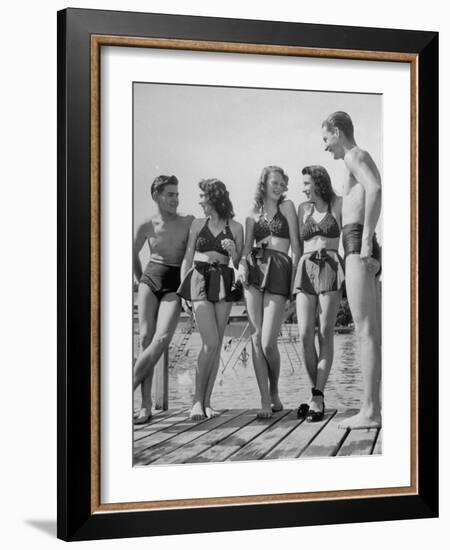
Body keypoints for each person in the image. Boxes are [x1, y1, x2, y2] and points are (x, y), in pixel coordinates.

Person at [322, 111, 382, 429]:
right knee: (370, 332)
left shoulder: (354, 155)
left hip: (358, 240)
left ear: (338, 132)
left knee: (366, 332)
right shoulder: (353, 160)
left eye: (326, 138)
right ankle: (373, 407)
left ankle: (370, 412)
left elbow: (375, 189)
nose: (325, 146)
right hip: (356, 239)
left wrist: (368, 241)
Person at [177, 179, 244, 421]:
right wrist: (182, 290)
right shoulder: (197, 223)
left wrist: (234, 250)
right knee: (211, 342)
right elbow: (187, 258)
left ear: (214, 198)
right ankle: (196, 400)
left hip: (225, 280)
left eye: (203, 197)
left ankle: (207, 402)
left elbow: (239, 263)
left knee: (215, 347)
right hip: (199, 278)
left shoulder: (235, 227)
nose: (200, 201)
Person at [238, 166, 300, 419]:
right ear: (263, 184)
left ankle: (274, 390)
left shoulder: (288, 207)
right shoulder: (252, 213)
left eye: (282, 183)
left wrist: (295, 282)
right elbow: (245, 250)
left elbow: (296, 246)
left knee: (268, 342)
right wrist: (241, 265)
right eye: (274, 182)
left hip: (280, 269)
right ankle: (264, 398)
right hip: (254, 270)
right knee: (255, 337)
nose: (279, 186)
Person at [133, 175, 194, 424]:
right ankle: (145, 405)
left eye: (177, 194)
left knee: (162, 338)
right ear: (156, 195)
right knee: (145, 338)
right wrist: (140, 279)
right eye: (170, 194)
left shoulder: (187, 221)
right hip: (150, 278)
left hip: (173, 284)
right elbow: (131, 253)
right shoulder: (146, 224)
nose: (175, 199)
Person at [294, 166, 344, 421]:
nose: (303, 188)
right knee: (304, 334)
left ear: (318, 182)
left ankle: (316, 397)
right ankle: (317, 395)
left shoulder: (337, 203)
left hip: (331, 266)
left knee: (325, 333)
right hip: (305, 267)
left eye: (306, 183)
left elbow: (352, 235)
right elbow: (295, 246)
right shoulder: (303, 209)